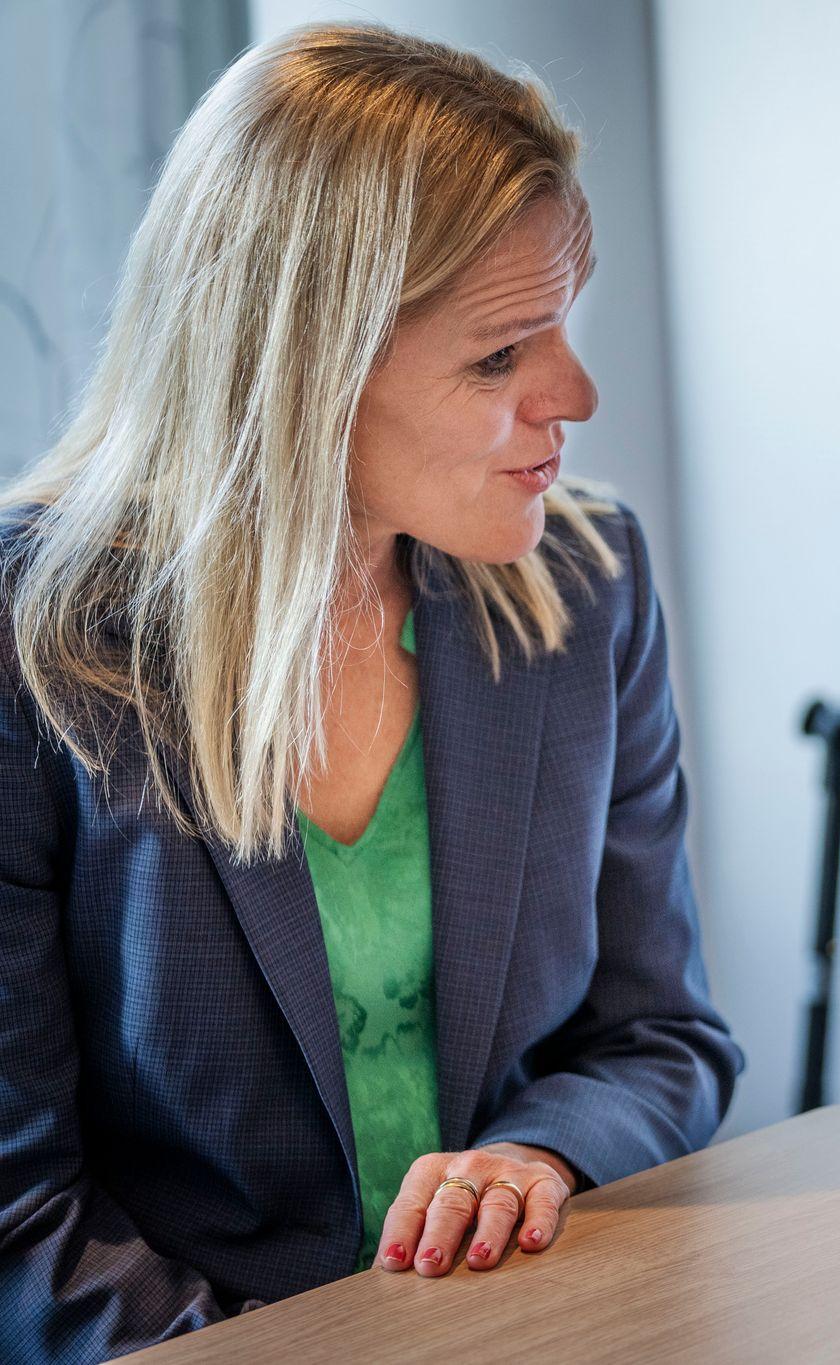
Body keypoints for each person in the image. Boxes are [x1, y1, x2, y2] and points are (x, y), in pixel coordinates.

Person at [0, 24, 741, 1359]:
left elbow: (663, 1038)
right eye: (501, 354)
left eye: (559, 324)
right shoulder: (31, 642)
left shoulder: (589, 584)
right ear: (301, 374)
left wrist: (537, 1153)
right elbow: (16, 1206)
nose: (574, 392)